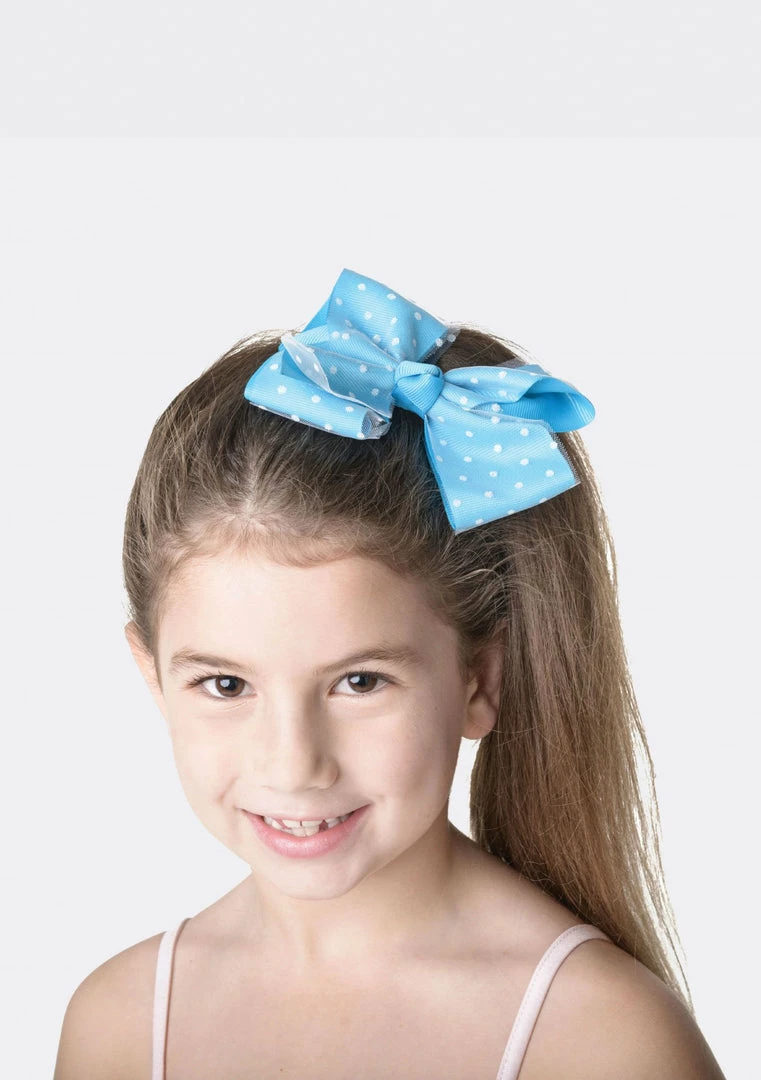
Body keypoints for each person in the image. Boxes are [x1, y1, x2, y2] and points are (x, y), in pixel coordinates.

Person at [54, 268, 726, 1079]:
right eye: (226, 685)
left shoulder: (601, 1040)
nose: (292, 766)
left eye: (359, 682)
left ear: (480, 679)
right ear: (152, 677)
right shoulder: (119, 1026)